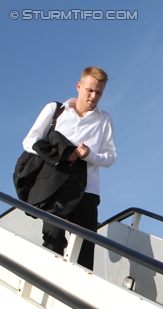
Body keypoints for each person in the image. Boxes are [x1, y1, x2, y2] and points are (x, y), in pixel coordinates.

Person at [22, 66, 116, 270]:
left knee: (85, 246)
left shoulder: (104, 119)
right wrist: (62, 155)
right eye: (89, 90)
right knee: (53, 235)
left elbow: (110, 157)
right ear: (79, 86)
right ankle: (50, 281)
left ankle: (77, 296)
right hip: (55, 185)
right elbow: (29, 142)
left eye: (99, 92)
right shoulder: (56, 110)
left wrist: (90, 155)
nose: (93, 96)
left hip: (87, 189)